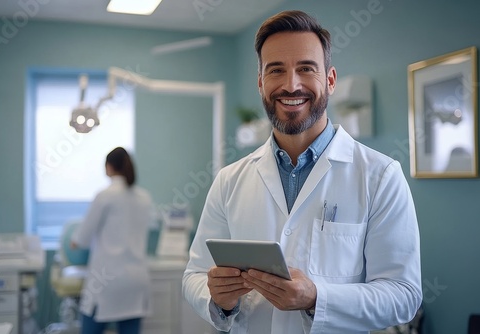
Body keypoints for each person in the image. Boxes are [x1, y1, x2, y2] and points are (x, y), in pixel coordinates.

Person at [182, 10, 422, 334]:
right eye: (276, 70)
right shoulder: (229, 180)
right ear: (260, 83)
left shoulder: (380, 176)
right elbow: (195, 275)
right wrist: (218, 299)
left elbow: (403, 296)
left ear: (330, 80)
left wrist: (316, 298)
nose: (290, 85)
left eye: (306, 68)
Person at [71, 147, 154, 334]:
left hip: (106, 282)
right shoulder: (144, 198)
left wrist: (74, 241)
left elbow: (82, 238)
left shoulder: (105, 195)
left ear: (108, 167)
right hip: (136, 280)